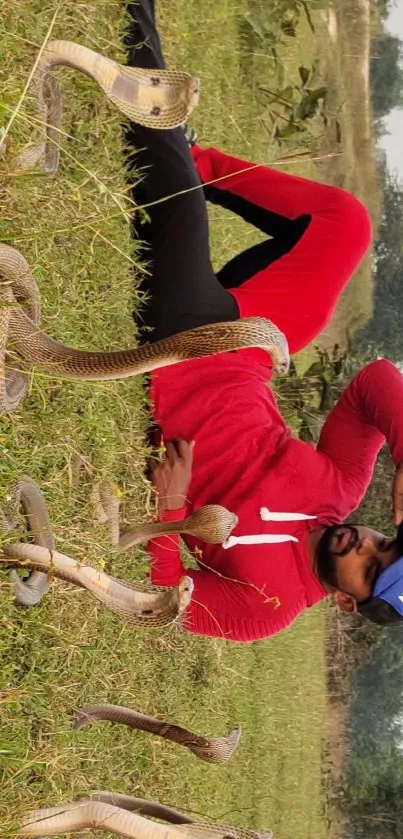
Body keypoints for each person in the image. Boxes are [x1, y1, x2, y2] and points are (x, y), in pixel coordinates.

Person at [125, 1, 403, 642]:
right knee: (346, 226)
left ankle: (135, 30)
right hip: (243, 347)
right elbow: (376, 384)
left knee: (178, 210)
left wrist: (171, 511)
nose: (363, 543)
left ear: (348, 605)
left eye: (370, 569)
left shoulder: (267, 607)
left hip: (178, 349)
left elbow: (170, 606)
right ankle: (199, 162)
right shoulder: (341, 487)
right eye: (382, 542)